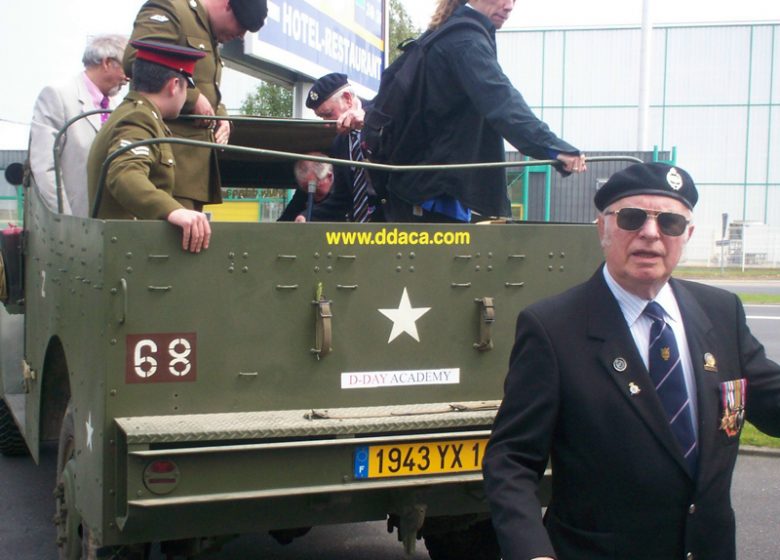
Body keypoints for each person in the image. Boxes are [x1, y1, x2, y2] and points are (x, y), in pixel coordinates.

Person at [482, 162, 780, 560]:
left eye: (670, 222)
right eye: (632, 218)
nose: (651, 234)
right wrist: (533, 552)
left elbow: (770, 401)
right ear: (602, 229)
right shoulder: (553, 328)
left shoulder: (721, 312)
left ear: (687, 234)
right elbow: (512, 459)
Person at [377, 0, 586, 222]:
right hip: (434, 194)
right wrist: (553, 148)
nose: (509, 6)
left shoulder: (445, 33)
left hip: (423, 188)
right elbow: (503, 102)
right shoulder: (466, 41)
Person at [124, 0, 268, 210]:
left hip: (193, 172)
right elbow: (137, 61)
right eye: (241, 25)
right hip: (167, 168)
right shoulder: (170, 9)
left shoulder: (210, 30)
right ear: (227, 5)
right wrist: (191, 97)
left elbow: (205, 84)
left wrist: (220, 115)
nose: (241, 35)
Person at [87, 40, 211, 253]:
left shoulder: (135, 114)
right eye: (186, 86)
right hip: (131, 256)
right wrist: (173, 211)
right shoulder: (139, 118)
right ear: (174, 86)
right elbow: (125, 175)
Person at [29, 34, 128, 216]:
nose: (128, 78)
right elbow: (44, 167)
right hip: (73, 223)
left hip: (109, 224)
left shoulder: (119, 105)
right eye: (126, 68)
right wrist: (66, 221)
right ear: (107, 63)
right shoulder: (57, 95)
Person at [303, 72, 384, 222]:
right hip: (360, 229)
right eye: (322, 118)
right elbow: (342, 197)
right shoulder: (339, 143)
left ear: (347, 99)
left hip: (397, 226)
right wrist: (307, 216)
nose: (327, 124)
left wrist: (370, 121)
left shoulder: (382, 115)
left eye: (328, 114)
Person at [278, 155, 335, 222]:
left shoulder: (344, 190)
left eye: (315, 189)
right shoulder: (303, 193)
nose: (311, 195)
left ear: (329, 176)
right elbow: (286, 219)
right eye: (306, 189)